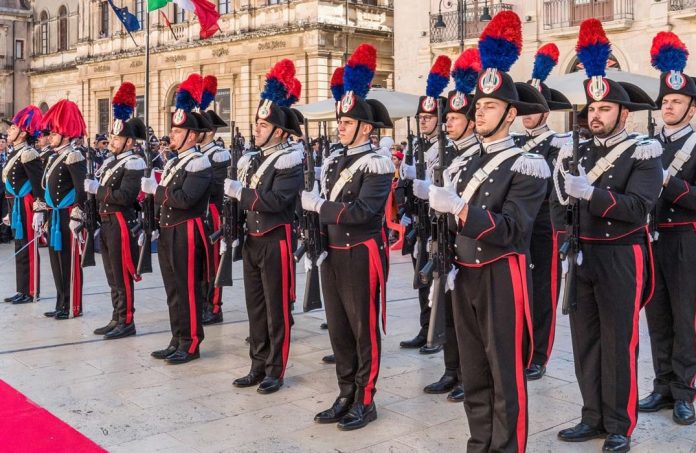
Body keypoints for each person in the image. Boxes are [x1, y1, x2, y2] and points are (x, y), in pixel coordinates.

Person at [427, 12, 550, 451]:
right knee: (475, 369)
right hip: (464, 273)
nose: (479, 112)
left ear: (511, 114)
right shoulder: (465, 162)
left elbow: (514, 229)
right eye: (478, 106)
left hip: (501, 273)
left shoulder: (527, 164)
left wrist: (460, 209)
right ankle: (480, 443)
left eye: (490, 106)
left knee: (504, 371)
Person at [551, 20, 663, 452]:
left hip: (620, 254)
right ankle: (591, 415)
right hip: (582, 254)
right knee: (585, 340)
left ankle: (620, 423)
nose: (595, 115)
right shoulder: (573, 150)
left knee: (619, 342)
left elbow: (637, 208)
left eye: (605, 109)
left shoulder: (643, 151)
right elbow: (557, 203)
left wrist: (591, 194)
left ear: (623, 113)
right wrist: (566, 226)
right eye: (592, 109)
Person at [302, 43, 394, 431]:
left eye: (347, 121)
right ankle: (345, 393)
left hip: (360, 252)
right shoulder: (334, 160)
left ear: (366, 128)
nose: (340, 126)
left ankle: (365, 398)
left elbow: (363, 213)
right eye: (340, 120)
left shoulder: (377, 163)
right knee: (339, 328)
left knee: (362, 329)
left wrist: (320, 207)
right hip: (333, 252)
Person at [225, 60, 303, 394]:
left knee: (276, 308)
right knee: (255, 307)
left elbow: (276, 201)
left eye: (263, 125)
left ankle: (275, 368)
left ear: (280, 131)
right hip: (252, 241)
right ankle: (257, 364)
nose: (256, 130)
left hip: (275, 239)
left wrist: (241, 194)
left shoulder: (290, 159)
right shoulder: (253, 159)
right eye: (256, 124)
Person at [412, 48, 481, 404]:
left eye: (455, 117)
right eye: (448, 117)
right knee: (447, 308)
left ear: (471, 121)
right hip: (441, 236)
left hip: (465, 238)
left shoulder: (476, 153)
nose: (448, 122)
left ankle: (469, 375)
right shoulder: (446, 150)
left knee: (465, 317)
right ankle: (451, 369)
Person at [638, 31, 696, 426]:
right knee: (656, 314)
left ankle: (684, 391)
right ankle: (661, 385)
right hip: (651, 238)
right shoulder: (648, 144)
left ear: (692, 109)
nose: (669, 107)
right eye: (665, 101)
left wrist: (667, 182)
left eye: (677, 101)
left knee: (685, 316)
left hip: (685, 239)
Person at [141, 74, 212, 364]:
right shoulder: (174, 162)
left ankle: (191, 341)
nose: (172, 135)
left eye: (178, 131)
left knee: (188, 288)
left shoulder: (199, 162)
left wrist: (156, 191)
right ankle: (177, 337)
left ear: (191, 136)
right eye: (172, 130)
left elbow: (185, 199)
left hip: (187, 231)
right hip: (169, 230)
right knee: (172, 288)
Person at [516, 43, 573, 381]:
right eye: (524, 107)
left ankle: (538, 354)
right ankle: (520, 347)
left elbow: (557, 191)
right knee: (519, 290)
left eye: (534, 108)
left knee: (542, 291)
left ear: (546, 112)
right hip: (517, 227)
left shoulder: (558, 145)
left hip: (542, 227)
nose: (527, 114)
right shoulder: (515, 144)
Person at [398, 55, 454, 355]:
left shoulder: (447, 147)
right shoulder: (416, 145)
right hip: (418, 221)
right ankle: (424, 328)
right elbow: (404, 186)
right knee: (421, 277)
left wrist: (427, 186)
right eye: (421, 117)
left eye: (428, 117)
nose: (423, 121)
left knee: (437, 278)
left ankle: (439, 331)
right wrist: (404, 207)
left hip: (437, 221)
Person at [85, 82, 146, 340]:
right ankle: (116, 316)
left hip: (121, 221)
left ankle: (127, 320)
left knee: (122, 273)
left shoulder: (133, 162)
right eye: (112, 137)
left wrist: (97, 190)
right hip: (107, 221)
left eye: (117, 138)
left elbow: (124, 197)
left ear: (129, 141)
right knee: (111, 273)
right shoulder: (112, 162)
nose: (112, 142)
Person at [39, 100, 88, 320]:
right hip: (54, 214)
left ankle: (72, 304)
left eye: (54, 133)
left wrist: (78, 213)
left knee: (68, 261)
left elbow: (81, 188)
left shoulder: (73, 155)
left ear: (66, 136)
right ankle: (60, 302)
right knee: (55, 259)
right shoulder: (53, 156)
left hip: (68, 215)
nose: (50, 137)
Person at [198, 75, 232, 326]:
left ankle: (214, 306)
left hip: (213, 212)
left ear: (209, 132)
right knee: (200, 263)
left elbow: (216, 189)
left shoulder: (218, 154)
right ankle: (202, 303)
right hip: (198, 212)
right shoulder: (196, 154)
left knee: (213, 261)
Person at [1, 106, 45, 304]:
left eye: (13, 128)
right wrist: (10, 211)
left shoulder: (28, 154)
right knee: (19, 247)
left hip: (27, 206)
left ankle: (31, 290)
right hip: (16, 206)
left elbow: (38, 185)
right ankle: (22, 289)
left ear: (23, 133)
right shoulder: (15, 152)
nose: (9, 131)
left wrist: (39, 210)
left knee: (28, 247)